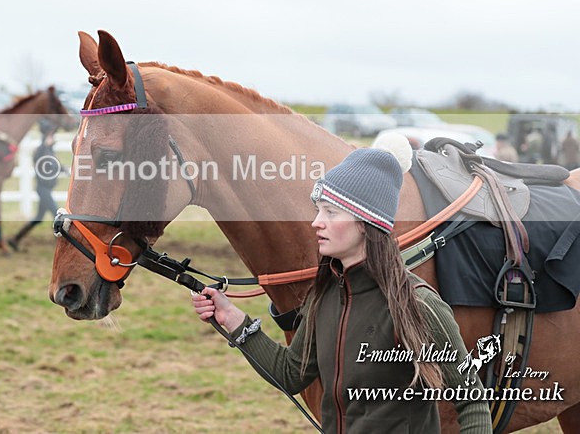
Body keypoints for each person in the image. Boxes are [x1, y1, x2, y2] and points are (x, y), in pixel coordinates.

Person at [191, 137, 493, 433]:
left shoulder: (419, 304)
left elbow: (473, 403)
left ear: (365, 223)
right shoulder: (323, 298)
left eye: (331, 212)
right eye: (318, 210)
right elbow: (290, 373)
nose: (316, 222)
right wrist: (231, 318)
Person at [7, 118, 64, 251]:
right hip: (43, 190)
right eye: (51, 134)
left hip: (45, 189)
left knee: (38, 218)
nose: (53, 137)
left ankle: (15, 239)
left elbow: (53, 164)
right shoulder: (42, 150)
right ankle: (65, 246)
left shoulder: (48, 150)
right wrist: (46, 145)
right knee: (58, 216)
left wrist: (63, 169)